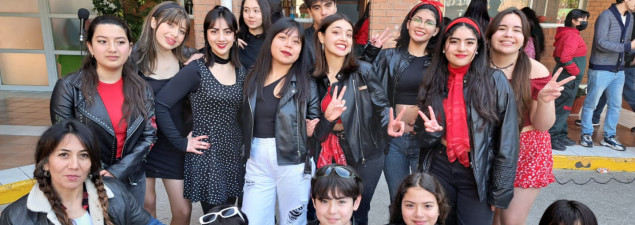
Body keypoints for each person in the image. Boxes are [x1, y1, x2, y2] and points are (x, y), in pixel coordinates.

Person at [417, 17, 520, 225]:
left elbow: (508, 142)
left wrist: (500, 190)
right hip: (439, 166)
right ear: (444, 46)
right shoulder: (432, 80)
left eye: (469, 42)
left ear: (478, 48)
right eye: (454, 41)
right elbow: (421, 139)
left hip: (478, 172)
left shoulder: (495, 81)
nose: (461, 48)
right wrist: (431, 132)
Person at [50, 15, 156, 206]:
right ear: (90, 47)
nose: (112, 49)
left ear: (130, 47)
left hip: (132, 178)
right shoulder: (69, 87)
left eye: (120, 42)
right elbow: (63, 140)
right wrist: (95, 172)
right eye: (102, 41)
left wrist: (119, 170)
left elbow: (149, 135)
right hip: (86, 180)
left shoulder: (142, 87)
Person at [311, 13, 402, 225]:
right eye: (336, 32)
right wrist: (327, 118)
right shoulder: (312, 77)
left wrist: (389, 122)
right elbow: (316, 130)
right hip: (325, 151)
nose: (343, 38)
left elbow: (382, 106)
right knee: (327, 211)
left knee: (358, 211)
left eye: (348, 34)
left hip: (366, 153)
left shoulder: (364, 70)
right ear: (322, 37)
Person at [486, 9, 575, 225]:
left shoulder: (536, 71)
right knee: (489, 218)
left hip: (527, 150)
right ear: (489, 35)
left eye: (516, 30)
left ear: (525, 38)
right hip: (487, 148)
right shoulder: (476, 66)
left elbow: (542, 125)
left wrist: (544, 101)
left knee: (511, 219)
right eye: (502, 28)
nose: (508, 34)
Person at [154, 6, 245, 214]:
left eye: (227, 31)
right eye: (214, 31)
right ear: (206, 35)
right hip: (209, 157)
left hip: (234, 154)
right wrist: (181, 142)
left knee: (231, 215)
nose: (220, 37)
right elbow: (161, 104)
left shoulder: (241, 70)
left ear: (234, 35)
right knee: (215, 218)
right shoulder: (196, 70)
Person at [241, 17, 328, 225]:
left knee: (293, 222)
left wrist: (313, 128)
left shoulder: (307, 83)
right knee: (252, 220)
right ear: (270, 41)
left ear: (300, 50)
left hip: (294, 162)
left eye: (296, 41)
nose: (289, 45)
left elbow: (316, 127)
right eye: (282, 38)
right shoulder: (252, 76)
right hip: (256, 161)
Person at [0, 120, 159, 224]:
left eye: (83, 155)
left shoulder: (115, 192)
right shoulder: (15, 217)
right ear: (45, 164)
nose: (75, 165)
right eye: (64, 155)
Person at [373, 0, 444, 203]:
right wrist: (371, 52)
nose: (422, 25)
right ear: (408, 24)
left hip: (426, 142)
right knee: (398, 200)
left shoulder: (441, 62)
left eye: (429, 22)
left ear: (436, 30)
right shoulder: (388, 56)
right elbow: (364, 81)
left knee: (426, 200)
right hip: (395, 141)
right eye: (418, 19)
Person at [130, 2, 194, 223]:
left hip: (174, 143)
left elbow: (219, 56)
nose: (175, 34)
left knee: (183, 211)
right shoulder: (132, 60)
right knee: (147, 207)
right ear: (154, 22)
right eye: (171, 25)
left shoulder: (187, 59)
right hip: (141, 144)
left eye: (182, 30)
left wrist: (237, 46)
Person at [580, 0, 635, 151]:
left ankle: (609, 137)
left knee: (615, 106)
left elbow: (626, 43)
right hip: (600, 68)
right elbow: (600, 43)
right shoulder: (606, 16)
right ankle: (586, 134)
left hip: (619, 70)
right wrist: (628, 46)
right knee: (591, 103)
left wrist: (631, 50)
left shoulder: (630, 17)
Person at [548, 9, 590, 151]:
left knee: (564, 107)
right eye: (583, 19)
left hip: (567, 76)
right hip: (568, 77)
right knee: (562, 108)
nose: (585, 22)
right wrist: (576, 73)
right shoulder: (572, 36)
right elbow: (565, 58)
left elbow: (556, 55)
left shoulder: (567, 34)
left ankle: (560, 134)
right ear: (574, 20)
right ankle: (552, 137)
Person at [302, 0, 390, 63]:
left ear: (335, 6)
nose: (324, 12)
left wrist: (371, 51)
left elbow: (354, 70)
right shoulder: (301, 39)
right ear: (310, 11)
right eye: (317, 8)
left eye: (328, 5)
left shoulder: (345, 37)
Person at [238, 0, 272, 69]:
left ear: (265, 12)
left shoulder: (273, 40)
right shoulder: (237, 40)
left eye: (256, 11)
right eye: (246, 10)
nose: (251, 15)